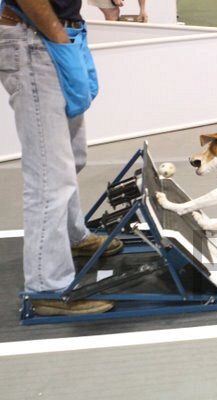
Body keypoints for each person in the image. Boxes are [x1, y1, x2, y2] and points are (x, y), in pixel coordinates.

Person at [0, 0, 123, 316]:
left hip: (55, 34)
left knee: (73, 155)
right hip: (35, 38)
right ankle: (47, 287)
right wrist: (57, 35)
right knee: (49, 176)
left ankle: (72, 237)